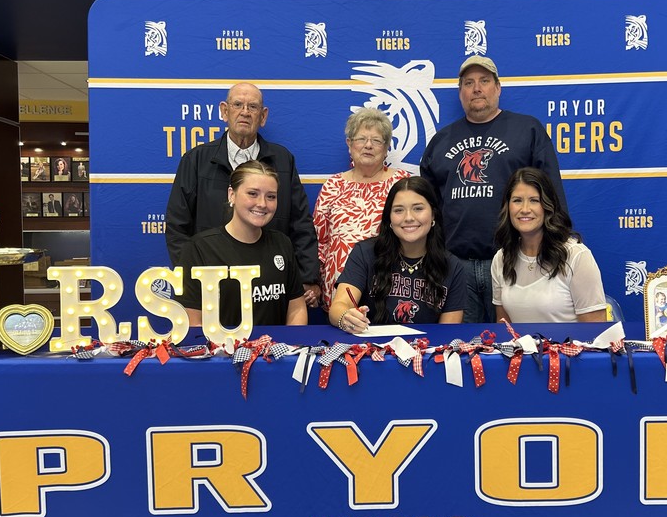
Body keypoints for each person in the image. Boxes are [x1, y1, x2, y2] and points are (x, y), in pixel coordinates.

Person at [420, 56, 567, 323]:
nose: (477, 88)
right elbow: (427, 208)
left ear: (497, 88)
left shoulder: (527, 130)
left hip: (515, 261)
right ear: (460, 92)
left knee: (514, 348)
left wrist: (559, 244)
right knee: (462, 351)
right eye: (469, 83)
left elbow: (551, 192)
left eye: (484, 81)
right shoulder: (441, 141)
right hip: (456, 265)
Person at [165, 82, 322, 307]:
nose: (245, 112)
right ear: (224, 111)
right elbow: (177, 225)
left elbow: (301, 223)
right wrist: (193, 277)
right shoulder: (196, 160)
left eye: (253, 107)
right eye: (238, 104)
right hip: (212, 287)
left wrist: (307, 278)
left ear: (263, 115)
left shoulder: (283, 160)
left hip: (271, 287)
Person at [177, 160, 308, 329]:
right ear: (232, 194)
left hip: (274, 354)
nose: (262, 203)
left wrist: (290, 347)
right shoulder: (199, 248)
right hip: (222, 354)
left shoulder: (282, 243)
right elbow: (193, 322)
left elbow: (296, 308)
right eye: (253, 193)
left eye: (271, 196)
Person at [329, 176, 465, 333]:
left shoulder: (452, 266)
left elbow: (448, 333)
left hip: (426, 352)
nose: (408, 218)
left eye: (418, 208)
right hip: (371, 351)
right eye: (399, 210)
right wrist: (345, 317)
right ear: (389, 219)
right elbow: (338, 307)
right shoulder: (364, 253)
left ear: (433, 215)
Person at [312, 108, 410, 312]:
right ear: (349, 144)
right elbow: (319, 242)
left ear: (386, 147)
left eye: (377, 140)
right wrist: (314, 282)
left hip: (389, 289)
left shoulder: (403, 183)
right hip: (338, 295)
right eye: (361, 138)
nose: (368, 145)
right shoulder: (332, 186)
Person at [491, 167, 606, 324]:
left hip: (569, 348)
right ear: (507, 206)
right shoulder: (501, 258)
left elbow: (596, 331)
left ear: (548, 206)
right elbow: (503, 324)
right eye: (517, 200)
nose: (525, 209)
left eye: (534, 200)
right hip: (519, 349)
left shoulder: (577, 256)